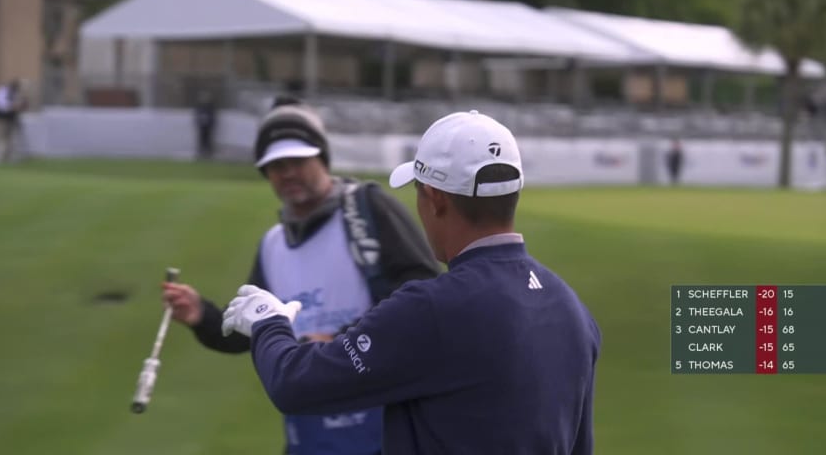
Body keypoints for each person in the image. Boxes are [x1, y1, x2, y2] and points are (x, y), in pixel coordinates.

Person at [221, 110, 602, 454]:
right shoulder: (572, 309)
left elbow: (295, 384)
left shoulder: (431, 309)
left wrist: (267, 322)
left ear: (434, 199)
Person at [163, 95, 440, 455]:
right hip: (311, 435)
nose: (288, 172)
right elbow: (252, 331)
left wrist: (339, 343)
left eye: (297, 160)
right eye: (276, 165)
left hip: (383, 428)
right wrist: (202, 315)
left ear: (321, 158)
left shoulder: (367, 209)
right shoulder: (273, 244)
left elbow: (421, 295)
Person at [0, 79, 27, 163]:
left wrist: (18, 106)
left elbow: (18, 105)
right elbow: (1, 104)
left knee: (10, 138)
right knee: (0, 137)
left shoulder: (14, 93)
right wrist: (13, 106)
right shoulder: (2, 92)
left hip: (11, 118)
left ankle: (8, 157)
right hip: (2, 118)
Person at [193, 91, 217, 160]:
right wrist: (199, 121)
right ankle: (201, 151)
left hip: (208, 126)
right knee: (201, 138)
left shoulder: (211, 106)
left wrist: (211, 122)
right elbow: (197, 115)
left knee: (208, 138)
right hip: (201, 125)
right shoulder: (199, 106)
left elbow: (213, 116)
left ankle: (209, 152)